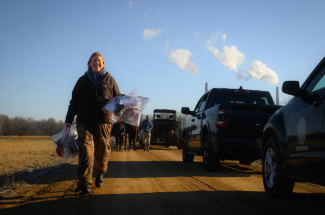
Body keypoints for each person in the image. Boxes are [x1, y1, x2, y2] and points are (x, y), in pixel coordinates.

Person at [65, 52, 121, 195]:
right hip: (85, 121)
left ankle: (100, 173)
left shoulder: (110, 80)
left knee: (102, 152)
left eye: (99, 61)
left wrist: (122, 111)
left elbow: (118, 100)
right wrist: (68, 119)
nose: (97, 63)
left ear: (103, 64)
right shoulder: (82, 81)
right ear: (89, 63)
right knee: (85, 151)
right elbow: (74, 102)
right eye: (94, 60)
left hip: (104, 121)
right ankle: (85, 184)